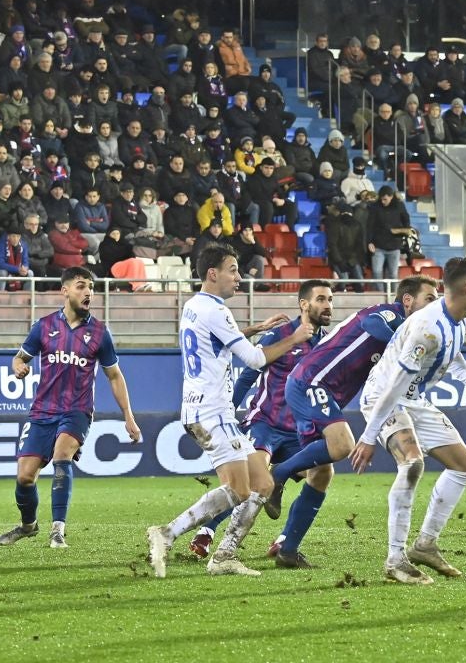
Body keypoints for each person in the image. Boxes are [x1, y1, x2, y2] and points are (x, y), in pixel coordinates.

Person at [145, 243, 315, 578]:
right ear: (213, 273)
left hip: (201, 409)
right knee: (239, 490)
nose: (239, 277)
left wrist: (250, 331)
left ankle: (224, 556)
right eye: (233, 270)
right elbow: (254, 359)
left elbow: (213, 339)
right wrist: (294, 338)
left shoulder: (194, 305)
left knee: (263, 484)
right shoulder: (217, 310)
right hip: (213, 413)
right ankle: (167, 533)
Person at [351, 257, 466, 584]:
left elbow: (454, 355)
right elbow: (394, 385)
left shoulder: (459, 321)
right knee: (412, 464)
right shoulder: (426, 328)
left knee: (464, 463)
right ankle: (395, 559)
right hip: (385, 395)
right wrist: (368, 435)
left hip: (413, 399)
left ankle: (425, 544)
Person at [263, 276, 440, 526]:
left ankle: (286, 547)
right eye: (430, 299)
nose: (435, 305)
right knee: (343, 444)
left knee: (321, 473)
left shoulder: (414, 332)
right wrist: (399, 346)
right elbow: (371, 323)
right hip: (312, 381)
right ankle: (278, 473)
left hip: (322, 390)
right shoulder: (391, 313)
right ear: (409, 300)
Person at [189, 280, 334, 566]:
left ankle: (285, 542)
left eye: (330, 299)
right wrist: (228, 412)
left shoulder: (329, 344)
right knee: (252, 481)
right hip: (264, 423)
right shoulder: (278, 336)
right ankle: (207, 531)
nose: (328, 305)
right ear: (304, 304)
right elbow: (247, 376)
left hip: (299, 432)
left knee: (322, 473)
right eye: (320, 299)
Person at [0, 267, 141, 549]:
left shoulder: (99, 333)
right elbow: (19, 357)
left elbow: (114, 375)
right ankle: (28, 526)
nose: (88, 292)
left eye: (91, 288)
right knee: (25, 477)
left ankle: (57, 530)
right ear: (65, 291)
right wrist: (19, 367)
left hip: (77, 410)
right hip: (42, 411)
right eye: (81, 286)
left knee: (62, 454)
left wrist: (128, 418)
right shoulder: (44, 326)